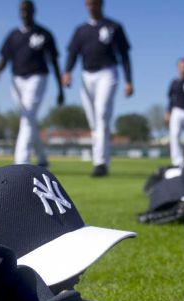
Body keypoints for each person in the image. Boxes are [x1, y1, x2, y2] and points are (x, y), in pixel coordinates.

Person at [63, 0, 133, 177]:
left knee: (101, 114)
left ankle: (100, 163)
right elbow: (72, 54)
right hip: (87, 76)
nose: (91, 6)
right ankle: (102, 158)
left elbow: (124, 55)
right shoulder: (81, 30)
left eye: (94, 3)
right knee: (94, 122)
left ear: (101, 4)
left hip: (108, 72)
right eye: (88, 3)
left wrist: (129, 81)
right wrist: (68, 72)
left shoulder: (113, 26)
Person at [0, 0, 64, 167]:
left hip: (38, 77)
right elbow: (4, 58)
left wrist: (60, 89)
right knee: (29, 119)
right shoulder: (13, 35)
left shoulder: (44, 34)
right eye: (22, 10)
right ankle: (42, 158)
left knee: (27, 116)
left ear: (33, 11)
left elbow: (54, 62)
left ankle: (21, 161)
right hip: (17, 80)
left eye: (27, 9)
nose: (24, 13)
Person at [164, 58, 184, 167]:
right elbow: (171, 99)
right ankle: (177, 161)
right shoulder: (174, 82)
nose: (183, 67)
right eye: (181, 66)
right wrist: (168, 112)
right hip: (176, 111)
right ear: (177, 67)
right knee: (174, 135)